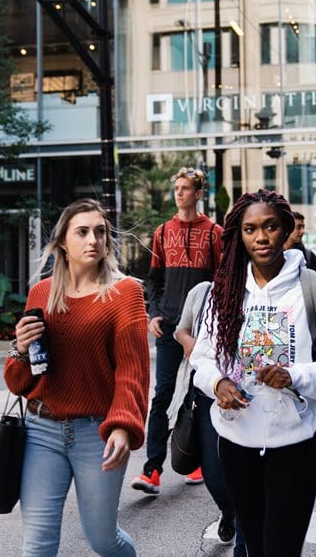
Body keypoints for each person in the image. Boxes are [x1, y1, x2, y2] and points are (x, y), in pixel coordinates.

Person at [190, 189, 316, 556]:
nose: (261, 237)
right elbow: (202, 358)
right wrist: (218, 382)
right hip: (236, 441)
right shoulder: (223, 293)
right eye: (250, 229)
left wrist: (295, 376)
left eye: (270, 226)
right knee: (253, 546)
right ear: (238, 235)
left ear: (286, 229)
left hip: (294, 445)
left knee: (282, 549)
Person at [5, 198, 150, 556]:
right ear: (62, 243)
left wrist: (122, 424)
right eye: (82, 232)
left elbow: (132, 370)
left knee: (102, 539)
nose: (93, 240)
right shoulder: (41, 294)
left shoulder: (125, 292)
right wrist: (19, 350)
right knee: (37, 544)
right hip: (42, 431)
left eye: (100, 232)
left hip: (97, 433)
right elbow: (19, 382)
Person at [132, 167, 223, 494]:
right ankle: (151, 470)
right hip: (170, 325)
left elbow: (222, 282)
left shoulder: (214, 233)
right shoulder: (162, 232)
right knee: (162, 394)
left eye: (186, 188)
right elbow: (154, 280)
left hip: (203, 329)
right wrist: (153, 314)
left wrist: (216, 324)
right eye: (177, 188)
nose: (179, 193)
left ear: (198, 193)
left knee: (197, 395)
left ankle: (193, 459)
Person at [173, 281, 242, 553]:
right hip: (206, 394)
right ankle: (229, 511)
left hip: (246, 398)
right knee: (213, 474)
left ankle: (244, 517)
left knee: (246, 474)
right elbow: (181, 328)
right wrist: (188, 340)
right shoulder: (203, 291)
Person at [285, 210, 316, 276]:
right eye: (299, 227)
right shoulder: (275, 254)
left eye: (303, 227)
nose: (303, 231)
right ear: (288, 228)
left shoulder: (309, 256)